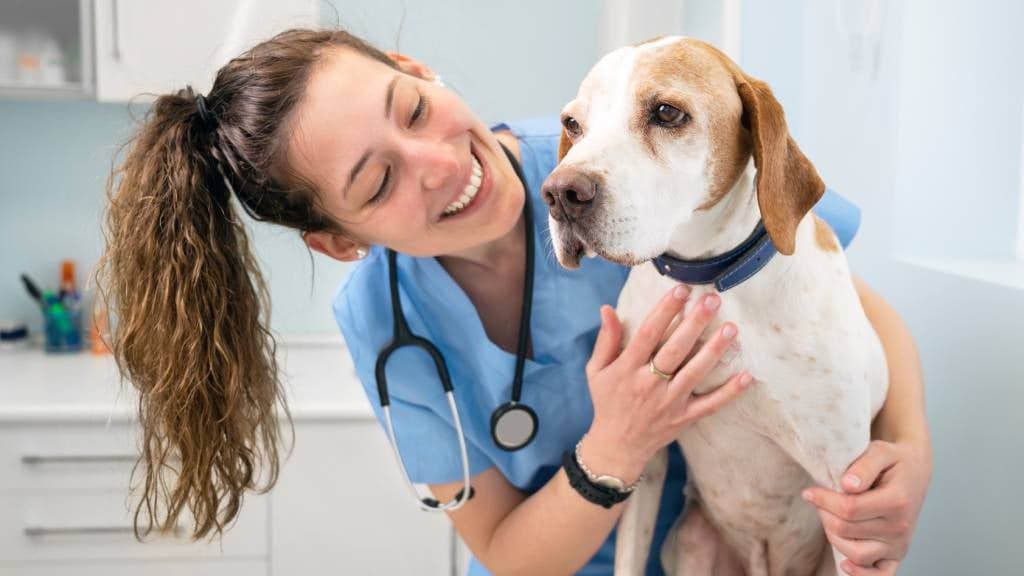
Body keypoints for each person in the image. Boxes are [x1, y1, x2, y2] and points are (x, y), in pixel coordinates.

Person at [96, 28, 932, 575]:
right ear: (340, 241)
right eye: (380, 180)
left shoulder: (589, 164)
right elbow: (504, 552)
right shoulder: (384, 323)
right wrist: (619, 440)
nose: (437, 161)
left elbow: (844, 310)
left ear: (420, 71)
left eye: (413, 108)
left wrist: (910, 453)